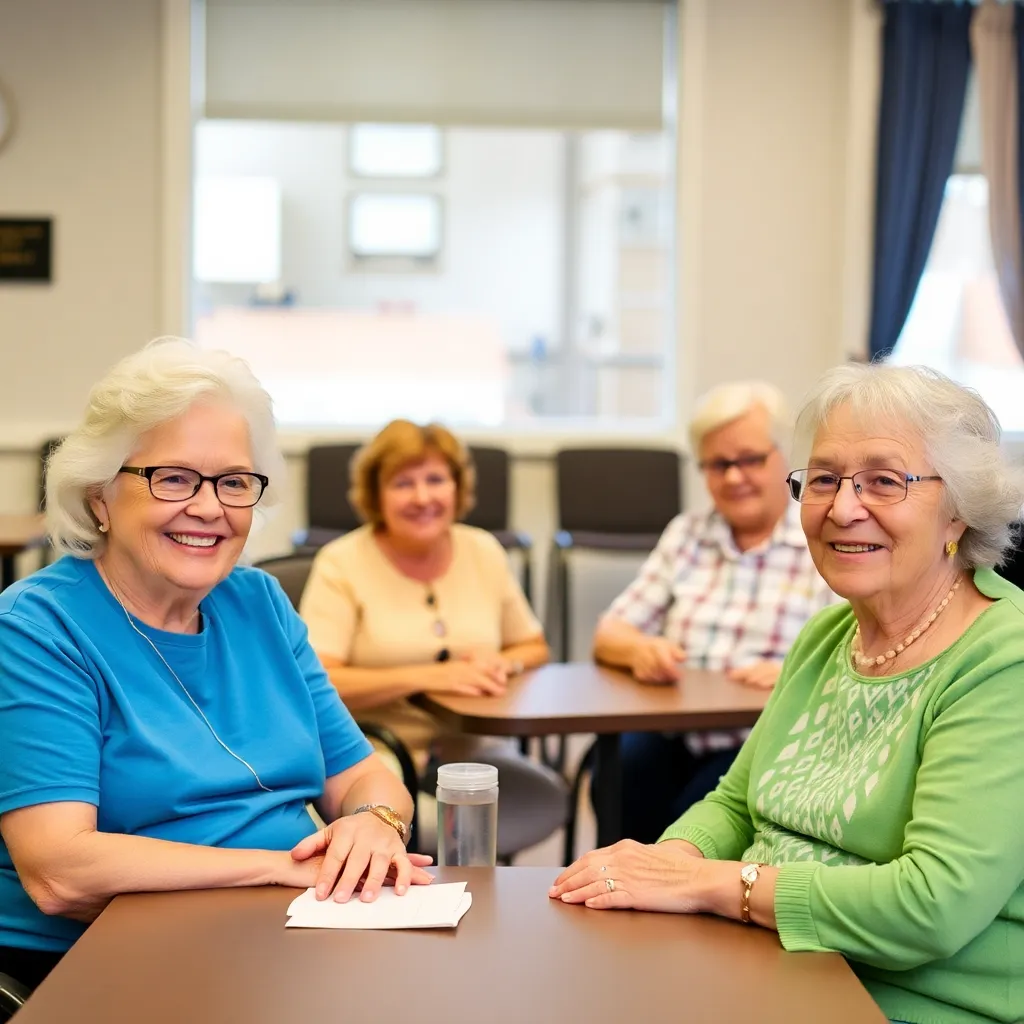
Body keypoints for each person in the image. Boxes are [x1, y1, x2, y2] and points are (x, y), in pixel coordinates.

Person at [552, 363, 1024, 1024]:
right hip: (770, 971)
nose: (842, 507)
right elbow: (738, 803)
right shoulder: (828, 635)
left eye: (884, 481)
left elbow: (932, 906)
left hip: (905, 1005)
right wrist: (667, 861)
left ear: (959, 510)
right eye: (824, 478)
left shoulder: (1004, 658)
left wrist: (712, 884)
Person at [0, 340, 431, 990]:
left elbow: (363, 774)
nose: (209, 508)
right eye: (173, 477)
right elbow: (62, 871)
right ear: (99, 497)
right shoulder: (38, 629)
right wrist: (277, 868)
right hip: (100, 964)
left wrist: (375, 823)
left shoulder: (259, 604)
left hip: (276, 933)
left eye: (233, 482)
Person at [591, 381, 838, 843]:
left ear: (784, 459)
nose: (733, 477)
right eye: (718, 464)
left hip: (767, 736)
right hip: (672, 729)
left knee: (700, 811)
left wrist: (794, 672)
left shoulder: (822, 536)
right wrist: (640, 648)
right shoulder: (687, 533)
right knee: (619, 775)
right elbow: (610, 632)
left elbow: (855, 647)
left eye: (750, 460)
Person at [300, 419, 549, 768]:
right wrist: (432, 676)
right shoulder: (341, 562)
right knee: (416, 817)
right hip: (373, 753)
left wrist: (504, 663)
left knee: (544, 798)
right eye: (403, 484)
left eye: (435, 480)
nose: (422, 498)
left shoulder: (483, 549)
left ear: (457, 487)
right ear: (377, 495)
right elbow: (318, 678)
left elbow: (535, 646)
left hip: (472, 751)